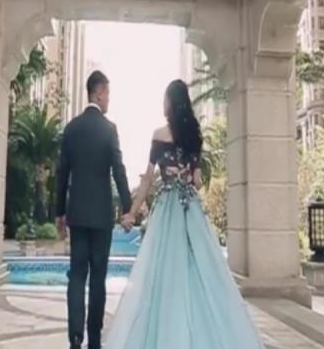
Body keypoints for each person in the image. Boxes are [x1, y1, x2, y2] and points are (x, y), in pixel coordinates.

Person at [104, 79, 264, 349]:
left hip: (167, 208)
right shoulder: (194, 136)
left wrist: (131, 212)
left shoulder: (158, 135)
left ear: (170, 103)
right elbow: (198, 181)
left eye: (165, 99)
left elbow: (147, 180)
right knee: (199, 269)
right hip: (190, 208)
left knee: (162, 272)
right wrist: (186, 175)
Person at [56, 70, 134, 349]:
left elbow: (61, 173)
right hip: (101, 216)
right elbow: (119, 171)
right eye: (108, 94)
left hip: (77, 215)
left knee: (77, 274)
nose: (109, 99)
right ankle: (95, 341)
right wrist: (128, 208)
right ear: (98, 93)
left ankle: (76, 336)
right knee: (98, 277)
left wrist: (59, 213)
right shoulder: (109, 129)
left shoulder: (71, 128)